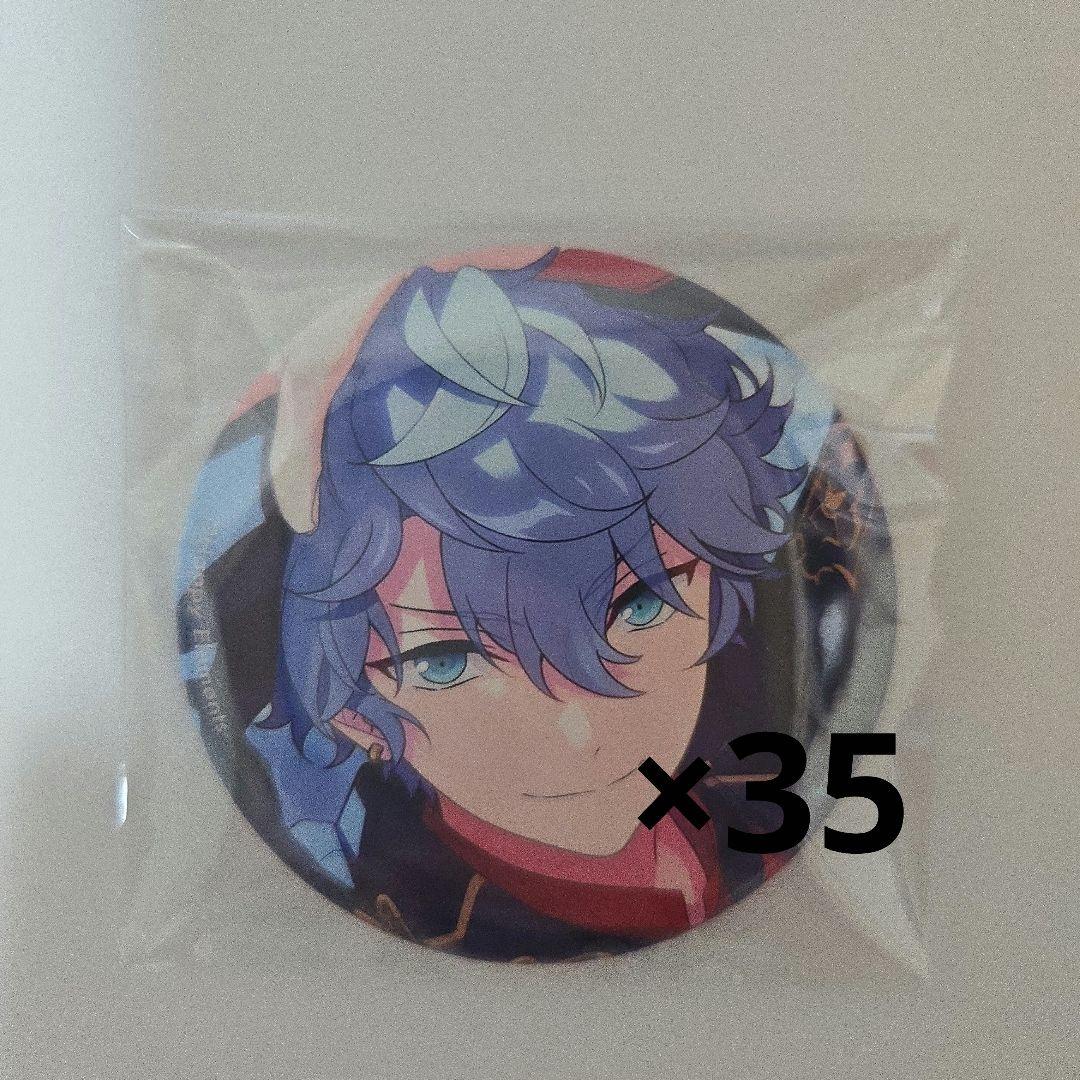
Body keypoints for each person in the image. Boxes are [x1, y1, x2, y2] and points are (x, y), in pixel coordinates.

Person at [179, 247, 881, 962]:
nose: (581, 735)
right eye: (446, 662)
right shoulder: (420, 900)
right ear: (355, 716)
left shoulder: (753, 801)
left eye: (641, 606)